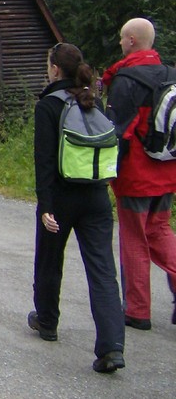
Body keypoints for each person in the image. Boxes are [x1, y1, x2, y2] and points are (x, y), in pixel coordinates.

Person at [29, 41, 125, 373]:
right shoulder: (94, 101)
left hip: (61, 198)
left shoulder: (49, 105)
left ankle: (47, 321)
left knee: (49, 260)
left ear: (55, 69)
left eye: (48, 65)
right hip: (96, 196)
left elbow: (44, 161)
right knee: (103, 271)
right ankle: (112, 347)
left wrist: (45, 206)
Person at [103, 17, 176, 331]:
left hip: (136, 175)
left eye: (122, 38)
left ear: (131, 41)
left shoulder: (126, 79)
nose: (120, 43)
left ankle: (137, 310)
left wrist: (107, 173)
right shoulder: (170, 74)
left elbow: (118, 133)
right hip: (168, 169)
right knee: (159, 230)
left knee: (134, 238)